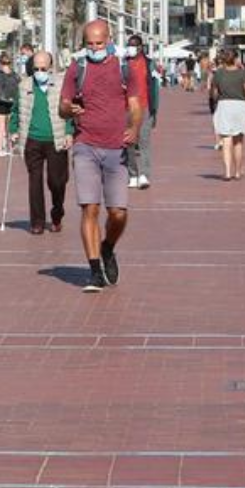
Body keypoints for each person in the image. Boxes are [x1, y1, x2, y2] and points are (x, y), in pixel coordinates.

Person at [59, 19, 146, 292]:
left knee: (118, 213)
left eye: (99, 43)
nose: (95, 48)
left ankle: (107, 247)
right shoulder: (77, 67)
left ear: (109, 40)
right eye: (90, 44)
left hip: (116, 148)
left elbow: (135, 105)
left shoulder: (123, 68)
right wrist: (69, 109)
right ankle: (94, 270)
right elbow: (63, 106)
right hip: (85, 145)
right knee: (90, 208)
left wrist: (133, 127)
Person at [11, 49, 71, 235]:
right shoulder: (24, 85)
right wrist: (13, 130)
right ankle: (37, 221)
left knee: (57, 181)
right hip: (32, 139)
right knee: (34, 181)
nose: (39, 72)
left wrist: (69, 132)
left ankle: (57, 212)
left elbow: (69, 110)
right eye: (36, 68)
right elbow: (16, 110)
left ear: (50, 67)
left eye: (43, 68)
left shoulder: (61, 84)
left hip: (56, 139)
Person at [209, 46, 245, 181]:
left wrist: (214, 100)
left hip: (224, 106)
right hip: (240, 107)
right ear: (235, 59)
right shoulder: (242, 73)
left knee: (226, 141)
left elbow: (214, 93)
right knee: (238, 142)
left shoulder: (219, 74)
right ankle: (238, 172)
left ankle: (227, 172)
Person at [122, 36, 159, 189]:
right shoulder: (123, 64)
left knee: (144, 141)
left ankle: (144, 175)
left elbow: (155, 88)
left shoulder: (149, 64)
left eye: (134, 45)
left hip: (145, 107)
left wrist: (154, 109)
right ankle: (132, 174)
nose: (131, 48)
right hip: (126, 108)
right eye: (129, 45)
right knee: (129, 142)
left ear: (141, 47)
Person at [0, 46, 27, 156]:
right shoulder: (15, 75)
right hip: (13, 102)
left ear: (0, 62)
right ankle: (10, 148)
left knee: (1, 128)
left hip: (1, 103)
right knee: (11, 127)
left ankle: (0, 150)